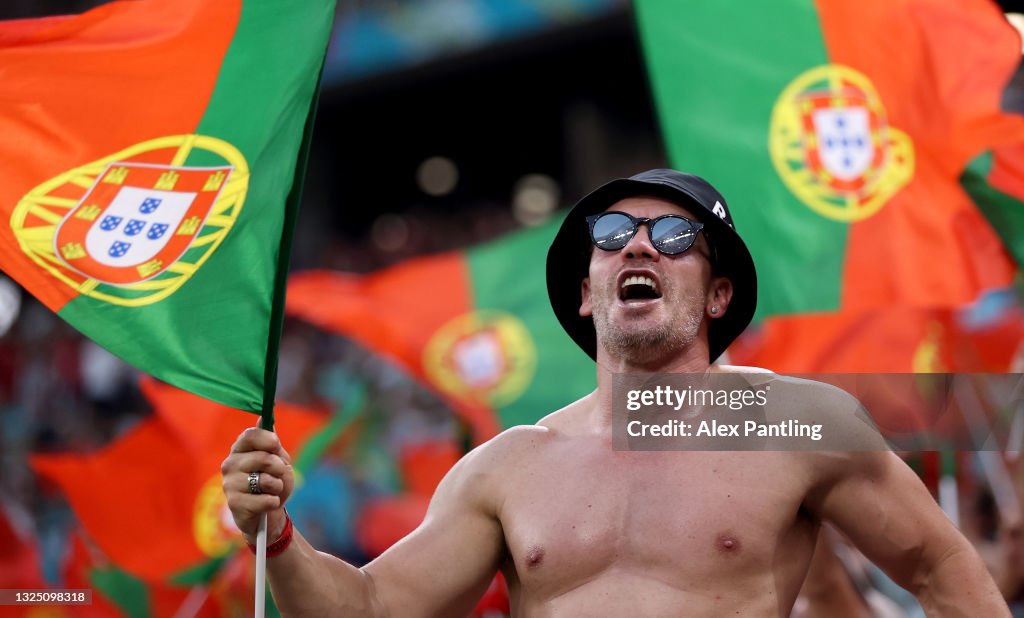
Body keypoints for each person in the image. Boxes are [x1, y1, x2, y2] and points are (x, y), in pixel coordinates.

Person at [223, 169, 1008, 616]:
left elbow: (939, 568)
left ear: (718, 298)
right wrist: (280, 537)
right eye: (612, 236)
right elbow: (366, 610)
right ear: (587, 296)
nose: (637, 244)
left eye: (674, 239)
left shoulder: (793, 421)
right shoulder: (508, 467)